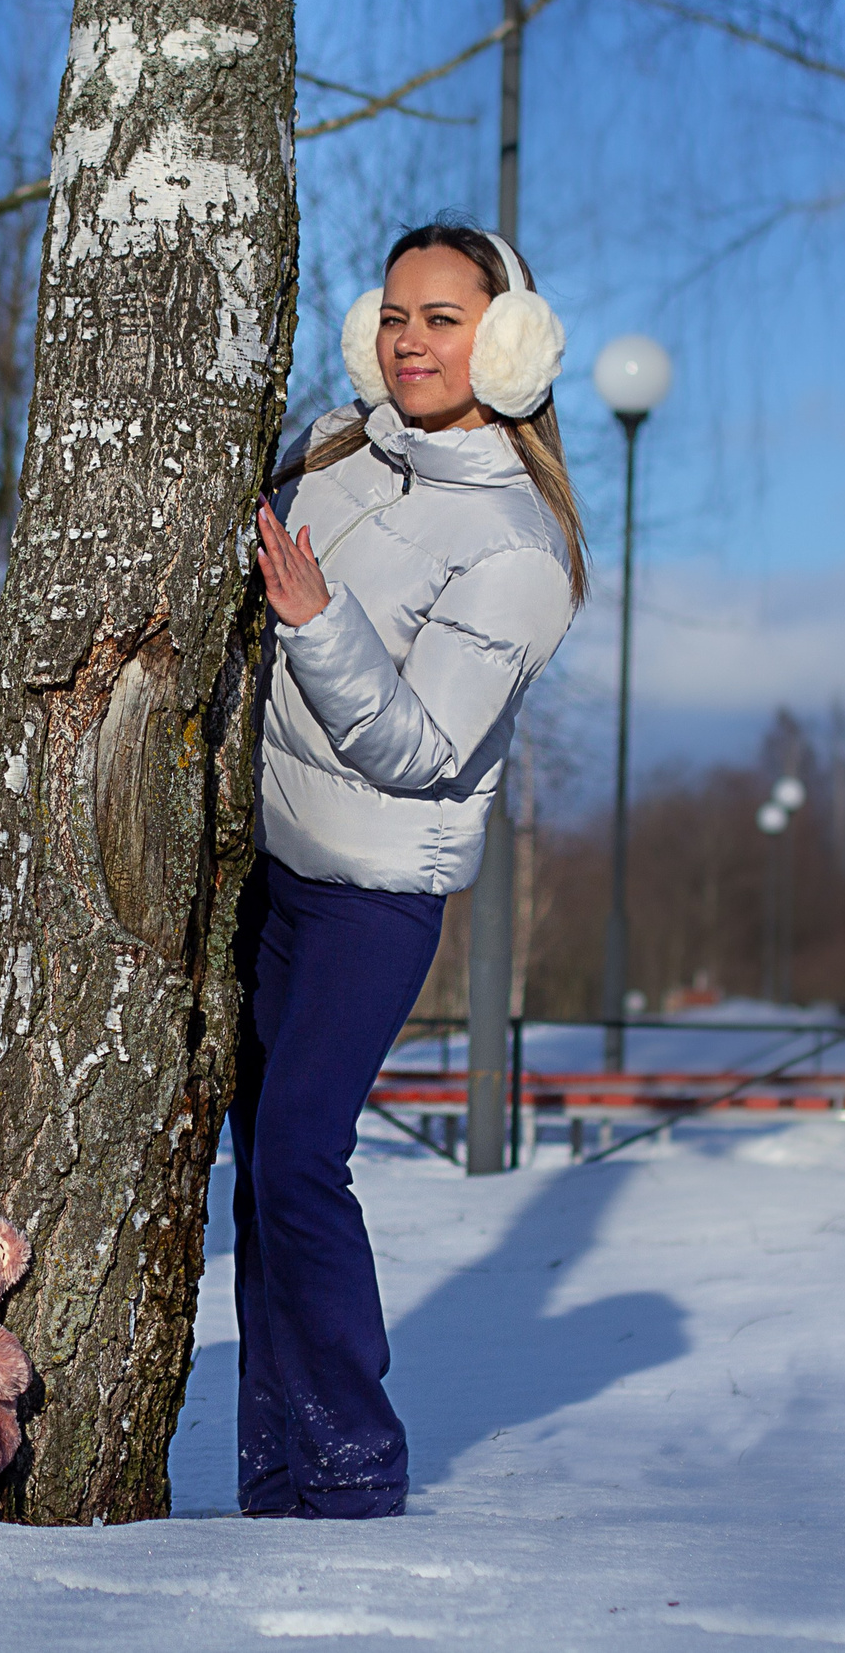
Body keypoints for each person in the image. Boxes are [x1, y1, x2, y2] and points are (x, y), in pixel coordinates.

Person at [236, 220, 586, 1518]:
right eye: (394, 314)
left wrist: (315, 624)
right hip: (266, 863)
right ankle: (273, 1466)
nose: (410, 340)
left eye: (444, 317)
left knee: (297, 1162)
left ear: (506, 340)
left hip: (371, 893)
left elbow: (428, 747)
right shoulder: (334, 447)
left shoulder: (514, 545)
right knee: (263, 1172)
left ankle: (349, 1460)